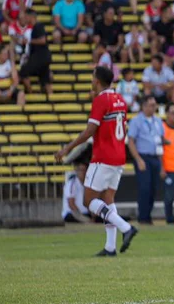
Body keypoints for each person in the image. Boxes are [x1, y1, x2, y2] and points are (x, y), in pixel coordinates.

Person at [54, 66, 139, 257]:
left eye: (93, 78)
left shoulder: (101, 100)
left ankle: (126, 228)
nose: (91, 81)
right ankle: (110, 247)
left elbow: (89, 131)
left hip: (103, 157)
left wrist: (67, 149)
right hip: (119, 156)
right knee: (108, 200)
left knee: (89, 200)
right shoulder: (121, 100)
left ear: (98, 81)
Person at [126, 96, 163, 225]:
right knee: (144, 188)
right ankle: (143, 217)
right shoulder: (136, 121)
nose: (154, 107)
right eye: (151, 105)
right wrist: (138, 159)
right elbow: (131, 142)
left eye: (155, 105)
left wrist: (161, 163)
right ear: (144, 106)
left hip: (155, 157)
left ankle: (147, 215)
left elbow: (160, 142)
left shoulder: (158, 121)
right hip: (143, 157)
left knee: (153, 189)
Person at [62, 158, 89, 223]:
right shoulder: (71, 184)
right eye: (81, 170)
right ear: (77, 171)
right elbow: (71, 204)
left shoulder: (88, 184)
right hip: (72, 213)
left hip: (85, 213)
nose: (83, 173)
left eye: (85, 170)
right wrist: (80, 217)